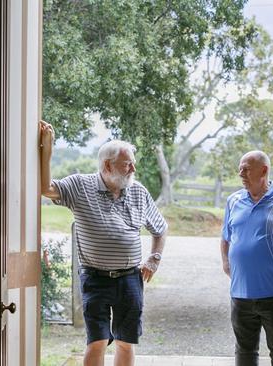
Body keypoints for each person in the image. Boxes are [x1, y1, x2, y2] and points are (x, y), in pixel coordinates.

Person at [39, 121, 168, 366]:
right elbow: (45, 188)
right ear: (108, 165)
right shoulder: (80, 186)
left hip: (130, 278)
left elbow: (161, 229)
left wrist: (154, 258)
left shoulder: (138, 191)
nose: (133, 168)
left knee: (125, 340)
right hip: (95, 277)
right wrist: (47, 151)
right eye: (127, 163)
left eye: (132, 163)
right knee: (97, 340)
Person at [220, 150, 273, 366]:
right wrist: (226, 263)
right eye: (240, 168)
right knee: (245, 351)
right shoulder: (233, 201)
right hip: (240, 293)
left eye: (246, 168)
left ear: (264, 170)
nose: (241, 173)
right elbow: (225, 237)